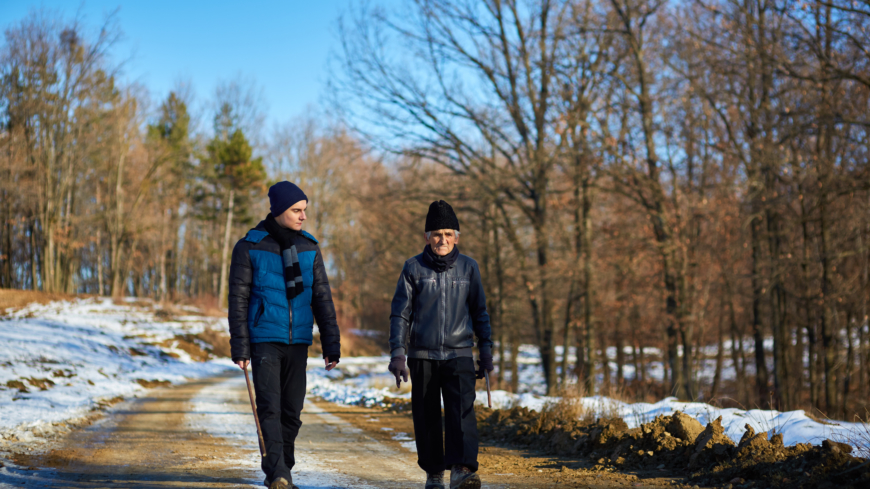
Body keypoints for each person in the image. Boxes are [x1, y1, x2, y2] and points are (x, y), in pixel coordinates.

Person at [228, 181, 341, 489]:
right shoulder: (249, 246)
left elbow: (322, 298)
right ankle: (278, 473)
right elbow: (237, 299)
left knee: (292, 410)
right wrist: (240, 346)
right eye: (296, 210)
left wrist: (331, 343)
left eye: (304, 210)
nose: (303, 216)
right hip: (264, 338)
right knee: (270, 407)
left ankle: (283, 467)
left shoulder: (309, 248)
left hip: (299, 341)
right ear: (278, 210)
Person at [389, 200, 494, 489]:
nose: (442, 239)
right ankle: (434, 473)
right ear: (427, 236)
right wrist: (398, 353)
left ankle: (462, 470)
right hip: (422, 354)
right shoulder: (413, 268)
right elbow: (400, 313)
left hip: (459, 353)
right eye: (436, 233)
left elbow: (480, 312)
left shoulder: (469, 268)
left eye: (448, 233)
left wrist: (486, 350)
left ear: (457, 236)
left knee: (462, 413)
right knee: (426, 415)